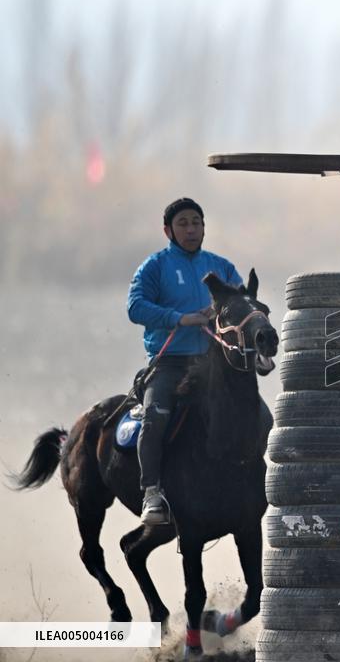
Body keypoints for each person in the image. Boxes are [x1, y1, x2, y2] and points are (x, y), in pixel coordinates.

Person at [126, 198, 242, 525]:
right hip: (169, 364)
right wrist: (180, 318)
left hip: (214, 362)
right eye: (183, 224)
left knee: (251, 411)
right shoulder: (155, 266)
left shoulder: (221, 267)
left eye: (197, 222)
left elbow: (242, 302)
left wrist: (220, 311)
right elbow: (135, 308)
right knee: (154, 416)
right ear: (168, 230)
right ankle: (151, 493)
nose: (191, 229)